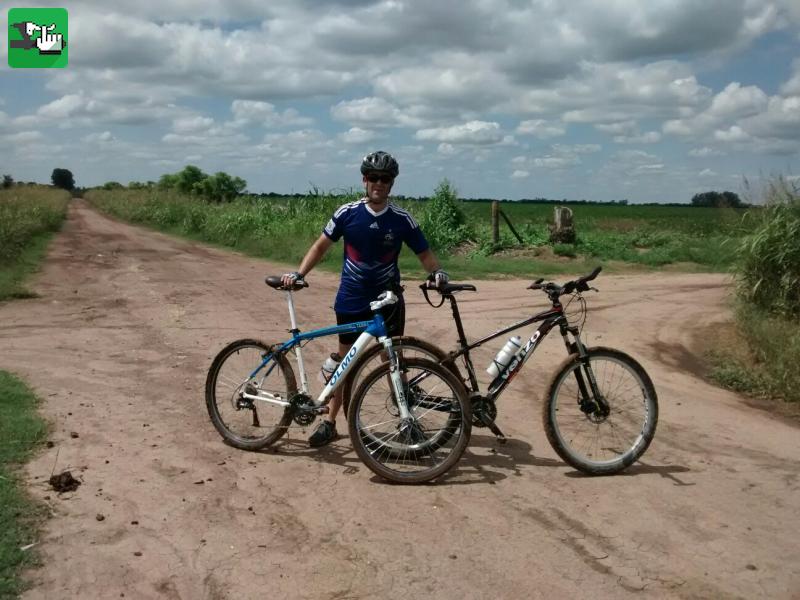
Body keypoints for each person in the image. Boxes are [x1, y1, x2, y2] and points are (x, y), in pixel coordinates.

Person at [281, 150, 449, 447]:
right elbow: (321, 247)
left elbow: (424, 254)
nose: (379, 183)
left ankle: (406, 421)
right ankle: (330, 422)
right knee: (347, 362)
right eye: (373, 177)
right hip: (352, 299)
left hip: (388, 301)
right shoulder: (347, 213)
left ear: (392, 183)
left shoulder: (401, 219)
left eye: (385, 179)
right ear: (364, 179)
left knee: (393, 361)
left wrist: (437, 273)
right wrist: (300, 273)